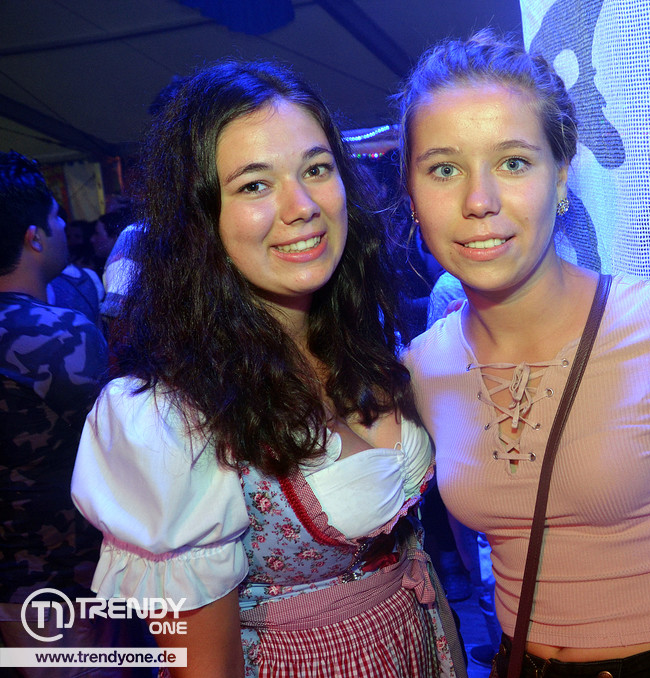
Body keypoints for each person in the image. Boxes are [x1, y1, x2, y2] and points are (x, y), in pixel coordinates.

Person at [71, 60, 461, 678]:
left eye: (316, 169)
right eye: (255, 185)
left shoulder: (359, 336)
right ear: (201, 217)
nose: (301, 206)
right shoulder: (169, 420)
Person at [399, 32, 650, 677]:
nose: (479, 201)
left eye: (514, 162)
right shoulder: (424, 366)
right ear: (411, 193)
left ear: (563, 174)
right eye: (444, 169)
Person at [0, 151, 150, 676]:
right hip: (70, 585)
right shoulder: (57, 335)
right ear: (34, 238)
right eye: (56, 217)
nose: (66, 226)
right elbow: (129, 438)